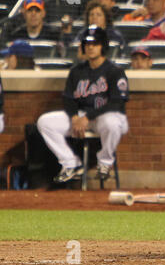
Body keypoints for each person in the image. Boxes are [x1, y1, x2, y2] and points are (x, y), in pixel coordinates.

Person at [37, 25, 129, 183]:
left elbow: (116, 102)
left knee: (112, 123)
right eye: (87, 44)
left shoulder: (115, 71)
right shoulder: (76, 71)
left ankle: (105, 163)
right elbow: (68, 99)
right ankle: (71, 163)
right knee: (45, 122)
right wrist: (74, 117)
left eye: (95, 43)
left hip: (106, 117)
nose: (91, 47)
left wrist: (87, 117)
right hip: (82, 117)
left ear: (103, 46)